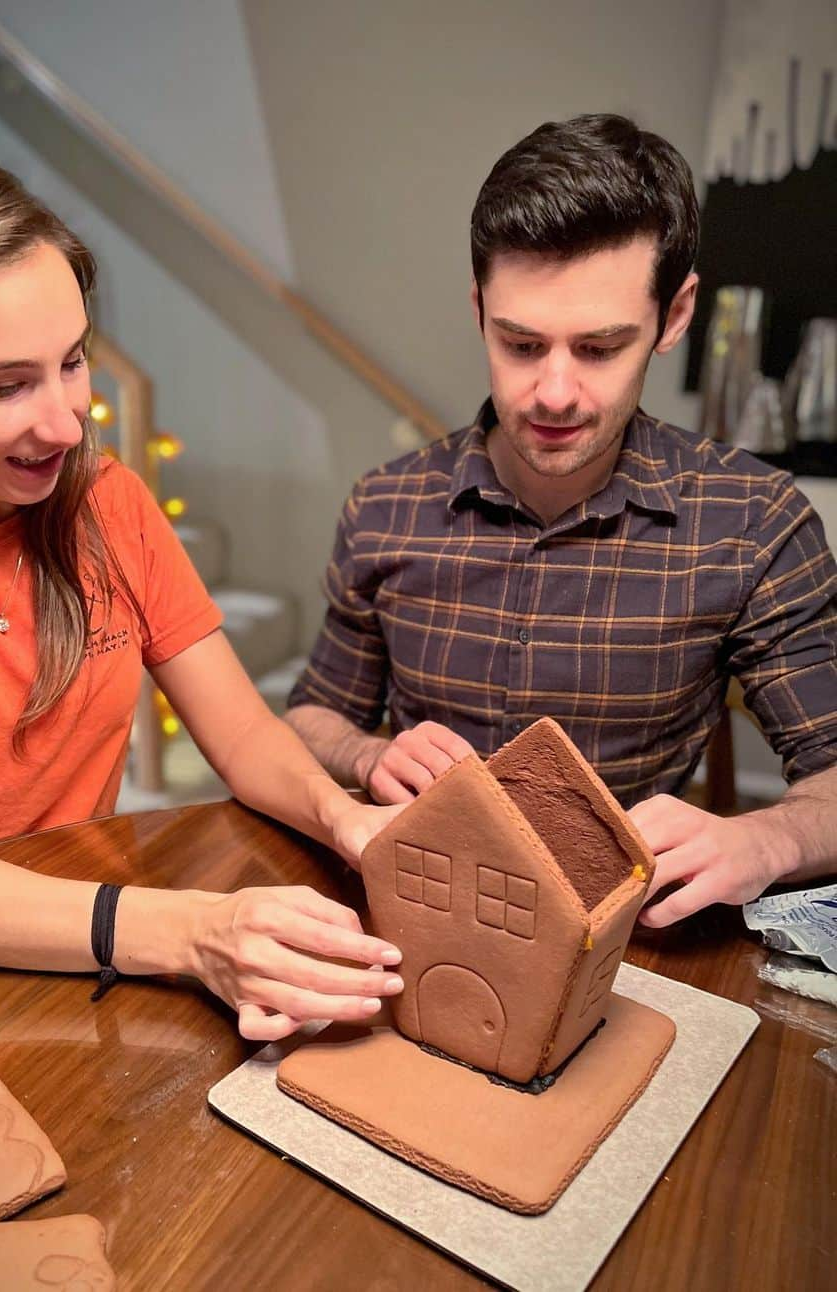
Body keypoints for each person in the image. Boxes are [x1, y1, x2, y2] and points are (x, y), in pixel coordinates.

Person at [0, 143, 408, 1042]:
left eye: (73, 362)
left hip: (69, 957)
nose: (68, 422)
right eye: (5, 385)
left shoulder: (110, 507)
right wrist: (191, 930)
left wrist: (347, 819)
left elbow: (247, 734)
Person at [285, 114, 837, 928]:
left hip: (624, 940)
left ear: (674, 316)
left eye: (600, 348)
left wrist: (765, 841)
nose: (552, 393)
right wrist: (369, 755)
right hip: (420, 908)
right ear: (479, 309)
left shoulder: (753, 522)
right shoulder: (386, 506)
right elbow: (307, 719)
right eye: (520, 343)